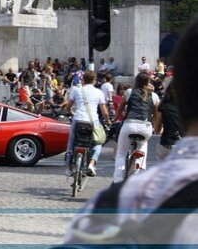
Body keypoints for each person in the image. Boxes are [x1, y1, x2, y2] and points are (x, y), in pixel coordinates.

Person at [64, 17, 198, 245]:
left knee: (116, 155)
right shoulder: (153, 96)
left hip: (118, 127)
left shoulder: (116, 205)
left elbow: (118, 112)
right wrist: (154, 127)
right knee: (141, 154)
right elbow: (153, 113)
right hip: (143, 128)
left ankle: (107, 176)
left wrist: (115, 121)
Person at [112, 72, 161, 183]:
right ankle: (140, 171)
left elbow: (120, 109)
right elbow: (156, 115)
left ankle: (117, 180)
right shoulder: (154, 96)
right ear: (148, 82)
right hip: (146, 127)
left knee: (121, 153)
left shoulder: (129, 92)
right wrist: (157, 128)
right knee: (143, 147)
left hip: (129, 124)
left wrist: (114, 119)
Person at [64, 71, 110, 177]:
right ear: (94, 81)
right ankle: (91, 164)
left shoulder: (76, 90)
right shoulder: (98, 92)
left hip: (78, 119)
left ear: (83, 79)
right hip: (93, 120)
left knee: (72, 140)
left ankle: (68, 164)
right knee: (98, 142)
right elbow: (105, 112)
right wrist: (107, 121)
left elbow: (68, 107)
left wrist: (69, 112)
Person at [155, 80, 184, 160]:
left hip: (166, 144)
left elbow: (157, 129)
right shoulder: (188, 105)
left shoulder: (163, 104)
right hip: (182, 146)